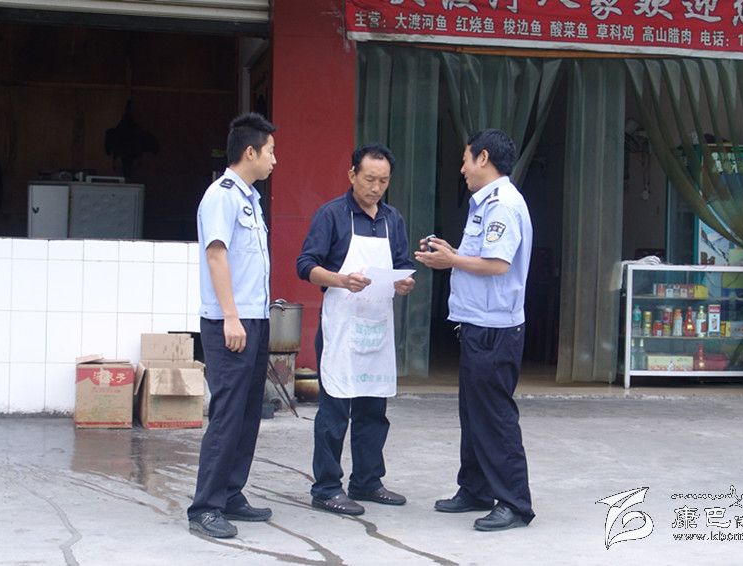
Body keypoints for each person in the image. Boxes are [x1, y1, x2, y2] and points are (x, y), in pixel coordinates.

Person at [414, 128, 535, 532]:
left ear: (484, 158)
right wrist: (451, 254)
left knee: (494, 416)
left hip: (495, 329)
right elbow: (480, 257)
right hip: (478, 324)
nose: (462, 168)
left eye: (466, 159)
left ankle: (514, 503)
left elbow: (498, 265)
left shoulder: (502, 205)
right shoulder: (485, 202)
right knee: (473, 413)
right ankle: (476, 488)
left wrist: (451, 261)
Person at [296, 142, 415, 516]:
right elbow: (305, 265)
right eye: (369, 179)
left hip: (377, 325)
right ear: (352, 175)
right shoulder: (332, 215)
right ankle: (326, 487)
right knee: (334, 410)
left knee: (373, 408)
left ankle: (367, 481)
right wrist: (341, 280)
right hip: (341, 327)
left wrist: (405, 283)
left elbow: (402, 264)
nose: (376, 188)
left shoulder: (393, 220)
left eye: (384, 181)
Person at [187, 112, 276, 539]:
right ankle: (205, 507)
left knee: (248, 412)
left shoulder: (250, 199)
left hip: (254, 319)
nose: (275, 159)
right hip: (231, 323)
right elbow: (216, 255)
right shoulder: (220, 196)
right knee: (227, 414)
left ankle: (230, 492)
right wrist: (230, 316)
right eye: (271, 151)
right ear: (250, 152)